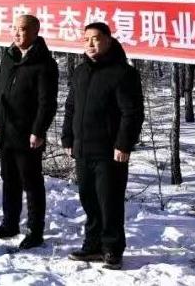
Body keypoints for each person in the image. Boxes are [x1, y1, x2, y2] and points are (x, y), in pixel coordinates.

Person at [61, 22, 144, 270]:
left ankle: (112, 249)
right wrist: (68, 138)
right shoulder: (80, 71)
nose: (90, 44)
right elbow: (71, 107)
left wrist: (124, 144)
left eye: (96, 39)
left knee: (110, 202)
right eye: (86, 39)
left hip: (110, 152)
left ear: (108, 40)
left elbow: (132, 113)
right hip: (83, 149)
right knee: (89, 200)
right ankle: (93, 245)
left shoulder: (123, 73)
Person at [0, 14, 58, 249]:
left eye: (23, 29)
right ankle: (10, 223)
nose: (17, 33)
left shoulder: (44, 63)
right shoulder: (9, 57)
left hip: (27, 135)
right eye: (14, 28)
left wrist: (38, 130)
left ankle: (35, 231)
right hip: (5, 131)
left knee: (32, 183)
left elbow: (47, 103)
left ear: (35, 32)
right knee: (9, 180)